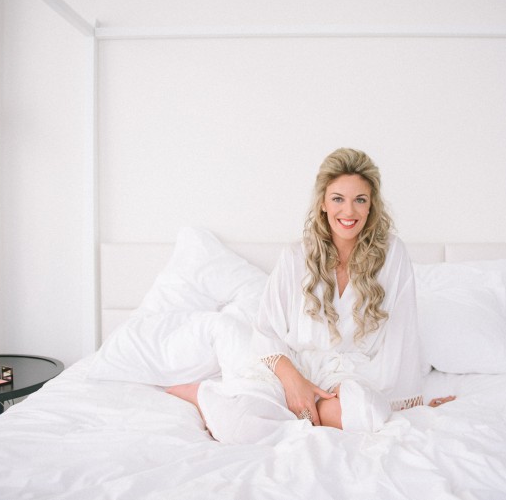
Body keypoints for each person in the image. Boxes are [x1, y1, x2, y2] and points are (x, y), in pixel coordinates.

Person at [167, 148, 454, 443]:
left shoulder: (392, 255)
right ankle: (201, 395)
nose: (349, 211)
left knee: (364, 411)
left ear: (371, 206)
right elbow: (266, 330)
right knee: (242, 424)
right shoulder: (295, 256)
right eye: (338, 199)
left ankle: (304, 416)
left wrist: (410, 407)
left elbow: (401, 339)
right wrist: (295, 384)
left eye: (360, 200)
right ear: (323, 204)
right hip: (293, 367)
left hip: (353, 375)